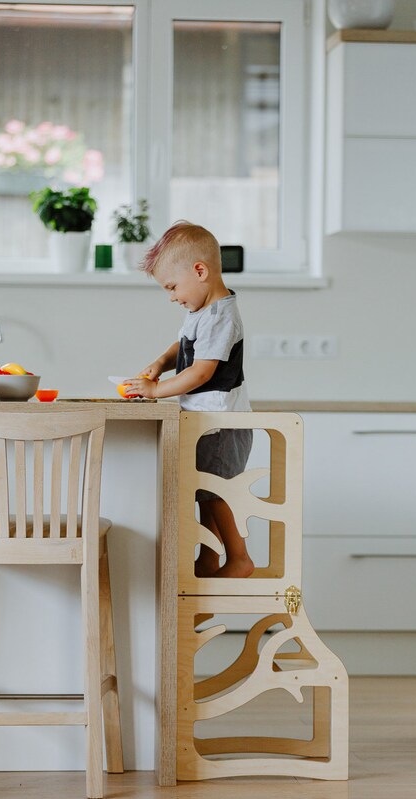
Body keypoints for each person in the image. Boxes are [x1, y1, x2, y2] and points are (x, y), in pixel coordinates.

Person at [124, 220, 254, 579]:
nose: (171, 296)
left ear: (199, 271)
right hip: (207, 423)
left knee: (215, 492)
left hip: (222, 425)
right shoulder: (200, 313)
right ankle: (210, 557)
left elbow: (201, 372)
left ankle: (239, 557)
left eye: (172, 286)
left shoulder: (221, 315)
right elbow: (180, 346)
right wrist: (159, 365)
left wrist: (155, 392)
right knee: (204, 492)